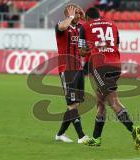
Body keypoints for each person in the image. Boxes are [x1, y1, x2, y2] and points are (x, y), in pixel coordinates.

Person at [78, 7, 140, 150]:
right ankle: (96, 138)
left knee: (113, 101)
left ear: (87, 18)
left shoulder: (85, 27)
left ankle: (133, 128)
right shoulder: (112, 24)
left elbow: (82, 52)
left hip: (99, 66)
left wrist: (92, 47)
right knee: (100, 102)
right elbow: (116, 44)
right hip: (115, 65)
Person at [54, 3, 89, 144]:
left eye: (79, 13)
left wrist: (83, 15)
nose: (78, 16)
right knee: (72, 104)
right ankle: (81, 136)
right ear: (68, 14)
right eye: (75, 13)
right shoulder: (61, 25)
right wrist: (70, 16)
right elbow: (62, 27)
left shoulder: (80, 28)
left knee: (77, 104)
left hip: (79, 69)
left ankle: (60, 134)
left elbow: (83, 47)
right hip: (67, 69)